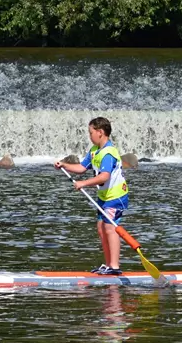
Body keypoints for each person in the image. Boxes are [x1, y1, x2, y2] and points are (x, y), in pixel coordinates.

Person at [55, 117, 129, 276]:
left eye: (91, 133)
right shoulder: (95, 150)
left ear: (100, 132)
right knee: (101, 229)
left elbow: (104, 177)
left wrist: (83, 183)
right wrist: (64, 164)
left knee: (110, 228)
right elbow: (82, 167)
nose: (89, 136)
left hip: (116, 196)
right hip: (104, 196)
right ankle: (108, 264)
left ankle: (115, 267)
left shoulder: (108, 153)